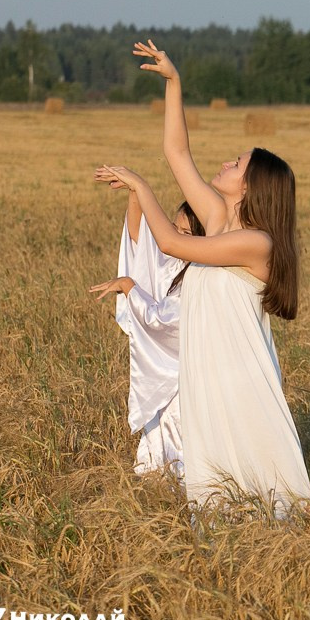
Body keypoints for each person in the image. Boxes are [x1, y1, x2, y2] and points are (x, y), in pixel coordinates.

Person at [92, 39, 310, 518]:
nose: (226, 162)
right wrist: (174, 82)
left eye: (237, 163)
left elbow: (171, 244)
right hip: (207, 379)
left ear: (250, 187)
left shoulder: (257, 243)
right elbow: (176, 152)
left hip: (241, 383)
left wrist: (141, 187)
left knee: (267, 491)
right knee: (216, 494)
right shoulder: (217, 218)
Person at [90, 192, 203, 477]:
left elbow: (163, 322)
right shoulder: (177, 262)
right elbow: (140, 240)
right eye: (174, 229)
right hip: (169, 375)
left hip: (185, 381)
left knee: (180, 445)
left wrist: (129, 287)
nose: (176, 237)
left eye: (186, 233)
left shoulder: (201, 276)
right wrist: (134, 191)